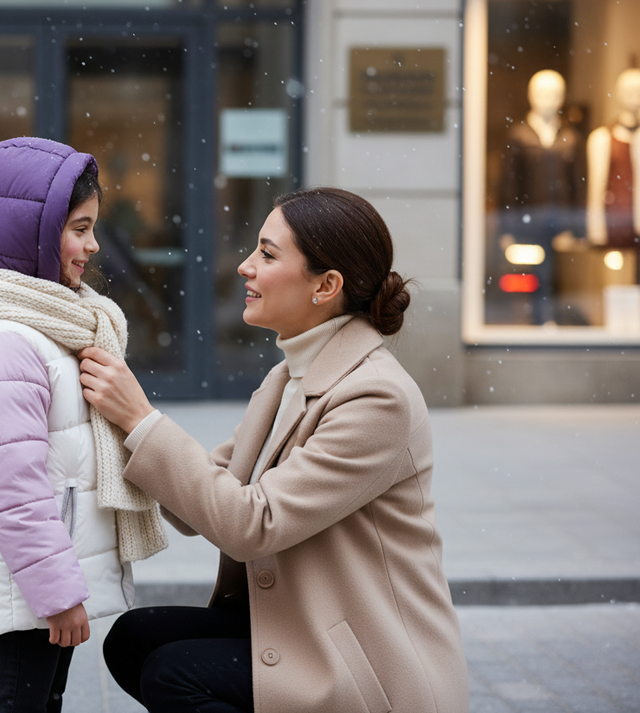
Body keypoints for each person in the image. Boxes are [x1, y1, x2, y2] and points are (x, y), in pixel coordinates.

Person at [80, 187, 469, 713]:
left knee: (174, 676)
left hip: (368, 667)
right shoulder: (289, 375)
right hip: (304, 625)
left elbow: (251, 526)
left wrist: (139, 417)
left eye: (267, 254)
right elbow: (205, 494)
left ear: (326, 285)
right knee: (135, 638)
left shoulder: (378, 398)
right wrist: (107, 432)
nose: (245, 267)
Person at [0, 137, 166, 713]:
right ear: (32, 235)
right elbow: (13, 491)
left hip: (41, 576)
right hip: (29, 590)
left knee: (42, 703)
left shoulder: (45, 321)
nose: (92, 245)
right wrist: (57, 594)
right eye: (79, 228)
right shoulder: (2, 344)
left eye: (93, 227)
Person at [499, 69, 586, 323]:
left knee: (560, 275)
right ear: (531, 95)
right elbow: (509, 184)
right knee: (533, 274)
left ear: (562, 97)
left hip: (562, 220)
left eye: (554, 93)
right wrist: (507, 227)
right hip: (530, 220)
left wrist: (579, 227)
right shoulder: (518, 136)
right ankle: (537, 320)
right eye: (542, 92)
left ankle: (554, 319)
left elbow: (579, 185)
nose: (548, 99)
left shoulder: (571, 138)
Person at [586, 68, 640, 257]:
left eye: (638, 90)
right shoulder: (601, 138)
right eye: (629, 91)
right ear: (618, 94)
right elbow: (595, 188)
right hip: (614, 226)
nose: (634, 96)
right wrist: (596, 230)